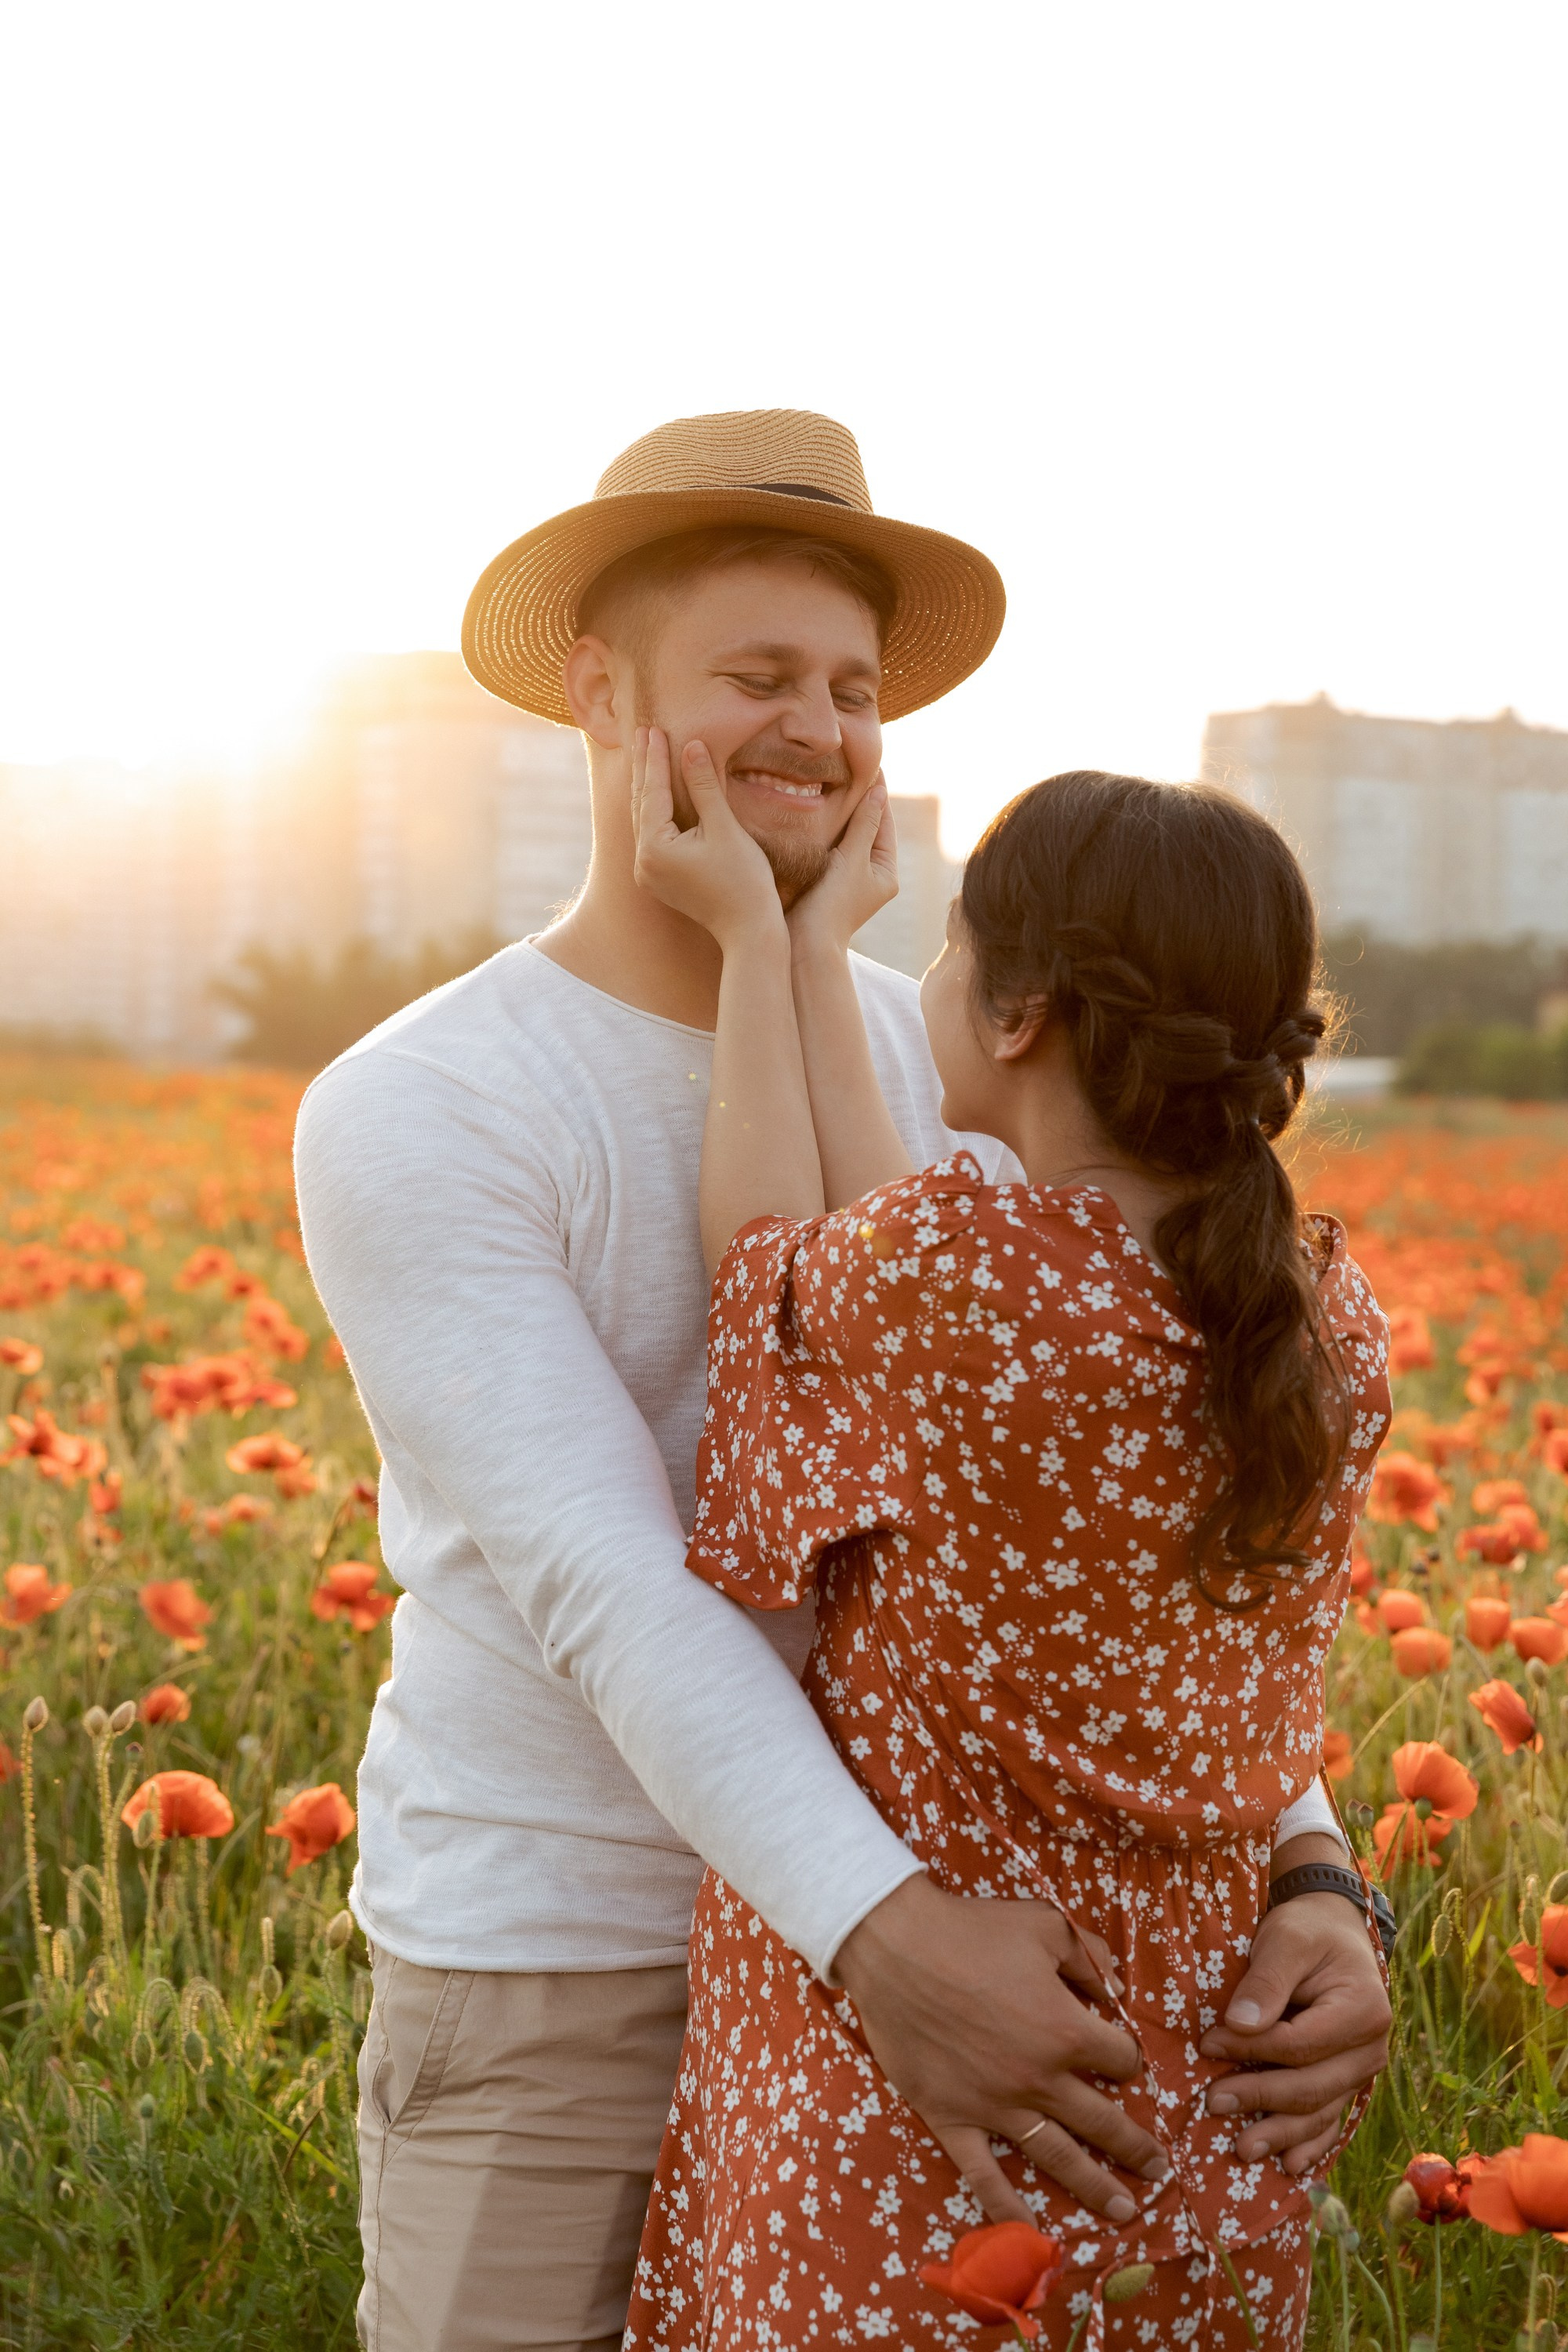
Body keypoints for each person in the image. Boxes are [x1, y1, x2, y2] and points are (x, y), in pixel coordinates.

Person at [293, 410, 1389, 2352]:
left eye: (854, 689)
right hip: (584, 1972)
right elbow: (617, 1588)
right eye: (756, 677)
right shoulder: (428, 1102)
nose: (817, 729)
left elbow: (1106, 1533)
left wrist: (1313, 1871)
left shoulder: (968, 1056)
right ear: (602, 694)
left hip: (970, 1992)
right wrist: (882, 1935)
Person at [625, 758, 1392, 2350]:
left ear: (1020, 1010)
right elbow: (896, 1260)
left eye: (951, 943)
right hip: (1212, 2123)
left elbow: (769, 1269)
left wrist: (755, 948)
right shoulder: (1326, 1323)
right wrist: (820, 952)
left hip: (922, 2126)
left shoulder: (953, 1286)